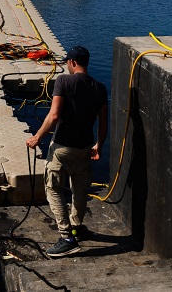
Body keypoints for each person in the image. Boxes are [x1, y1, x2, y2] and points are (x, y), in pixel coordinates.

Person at [26, 46, 108, 257]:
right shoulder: (100, 88)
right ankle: (76, 227)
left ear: (72, 62)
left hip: (62, 147)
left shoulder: (64, 81)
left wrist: (37, 137)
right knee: (79, 191)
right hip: (85, 148)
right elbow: (104, 123)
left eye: (67, 63)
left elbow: (54, 115)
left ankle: (66, 237)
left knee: (53, 189)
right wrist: (99, 145)